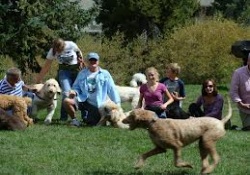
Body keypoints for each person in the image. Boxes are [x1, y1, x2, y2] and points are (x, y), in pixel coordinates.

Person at [63, 52, 121, 126]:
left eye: (95, 60)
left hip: (98, 104)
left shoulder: (105, 74)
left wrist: (117, 104)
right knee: (67, 101)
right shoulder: (82, 73)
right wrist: (74, 91)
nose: (93, 62)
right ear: (87, 62)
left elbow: (112, 89)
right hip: (83, 100)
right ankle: (74, 120)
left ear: (98, 61)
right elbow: (76, 87)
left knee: (91, 123)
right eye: (91, 60)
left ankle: (91, 118)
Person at [35, 38, 83, 121]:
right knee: (66, 93)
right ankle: (63, 118)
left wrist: (81, 61)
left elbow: (79, 52)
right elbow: (46, 66)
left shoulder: (71, 44)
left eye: (61, 50)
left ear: (64, 45)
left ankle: (85, 117)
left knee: (80, 92)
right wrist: (39, 80)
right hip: (64, 71)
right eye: (58, 50)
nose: (59, 51)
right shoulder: (52, 51)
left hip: (76, 70)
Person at [230, 56, 250, 131]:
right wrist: (241, 104)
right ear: (248, 61)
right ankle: (239, 128)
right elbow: (233, 91)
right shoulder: (238, 73)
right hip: (245, 109)